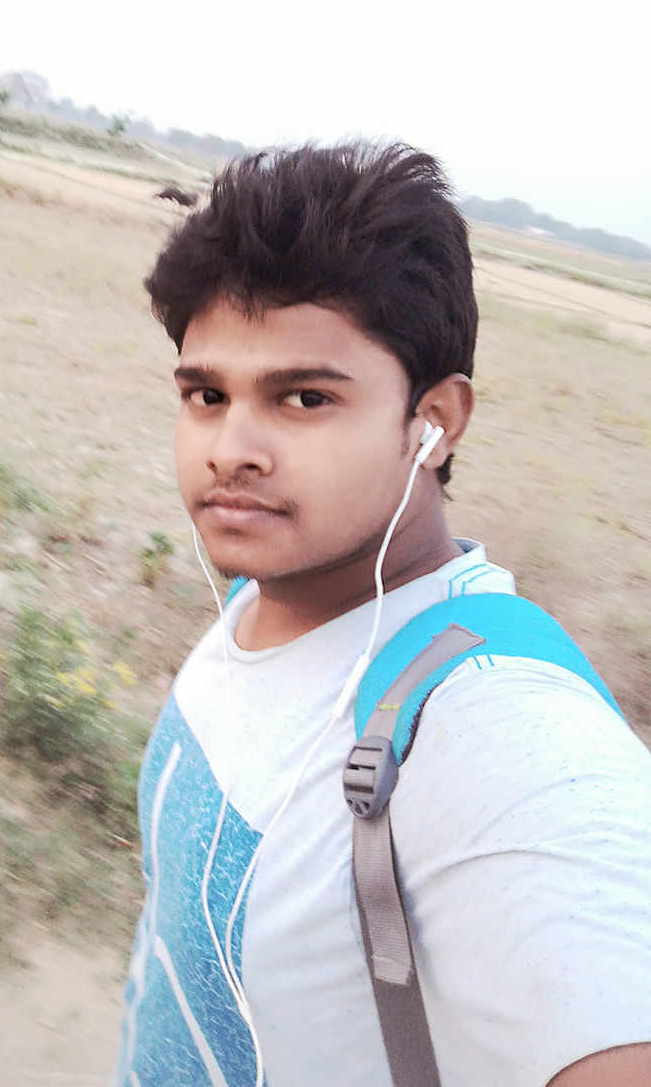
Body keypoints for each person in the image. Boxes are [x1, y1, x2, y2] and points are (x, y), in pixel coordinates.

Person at [113, 142, 651, 1087]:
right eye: (206, 394)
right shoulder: (259, 596)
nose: (229, 449)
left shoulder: (489, 723)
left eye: (304, 397)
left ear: (434, 420)